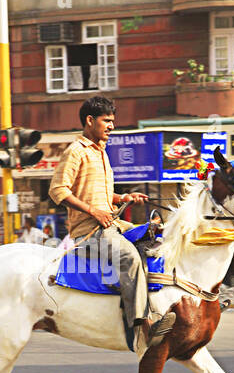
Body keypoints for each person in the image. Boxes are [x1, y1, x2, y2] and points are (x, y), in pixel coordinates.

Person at [48, 95, 159, 351]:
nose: (111, 126)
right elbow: (58, 191)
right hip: (90, 233)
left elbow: (101, 194)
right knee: (129, 258)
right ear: (90, 121)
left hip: (112, 225)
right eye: (106, 121)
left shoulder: (102, 152)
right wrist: (93, 212)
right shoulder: (76, 151)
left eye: (112, 121)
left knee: (153, 238)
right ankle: (141, 323)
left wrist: (125, 197)